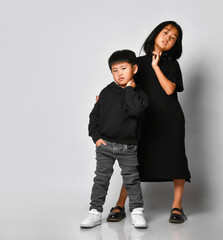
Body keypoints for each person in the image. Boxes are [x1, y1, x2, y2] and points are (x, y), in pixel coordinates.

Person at [107, 21, 191, 224]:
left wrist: (156, 66)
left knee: (177, 159)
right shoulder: (137, 63)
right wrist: (105, 96)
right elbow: (124, 84)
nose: (168, 38)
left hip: (170, 120)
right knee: (133, 162)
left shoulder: (172, 64)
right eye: (166, 32)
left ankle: (177, 206)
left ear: (175, 44)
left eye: (173, 38)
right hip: (143, 119)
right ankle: (120, 204)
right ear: (155, 34)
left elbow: (170, 90)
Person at [80, 50, 149, 229]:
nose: (119, 73)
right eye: (114, 70)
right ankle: (95, 212)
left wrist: (129, 90)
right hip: (105, 146)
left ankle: (137, 212)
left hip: (128, 147)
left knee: (131, 180)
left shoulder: (139, 94)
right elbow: (94, 116)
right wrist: (96, 138)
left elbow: (136, 111)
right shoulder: (106, 92)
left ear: (134, 69)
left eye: (123, 68)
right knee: (101, 179)